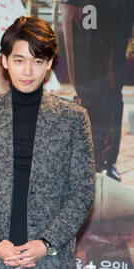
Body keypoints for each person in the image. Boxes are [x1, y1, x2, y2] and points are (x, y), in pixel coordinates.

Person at [0, 16, 96, 269]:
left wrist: (46, 243)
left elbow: (82, 192)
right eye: (19, 60)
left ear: (49, 63)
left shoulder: (72, 118)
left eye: (37, 60)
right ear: (5, 61)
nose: (28, 71)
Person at [60, 0, 134, 181]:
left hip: (114, 9)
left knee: (110, 87)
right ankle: (84, 159)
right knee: (84, 87)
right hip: (78, 6)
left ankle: (108, 161)